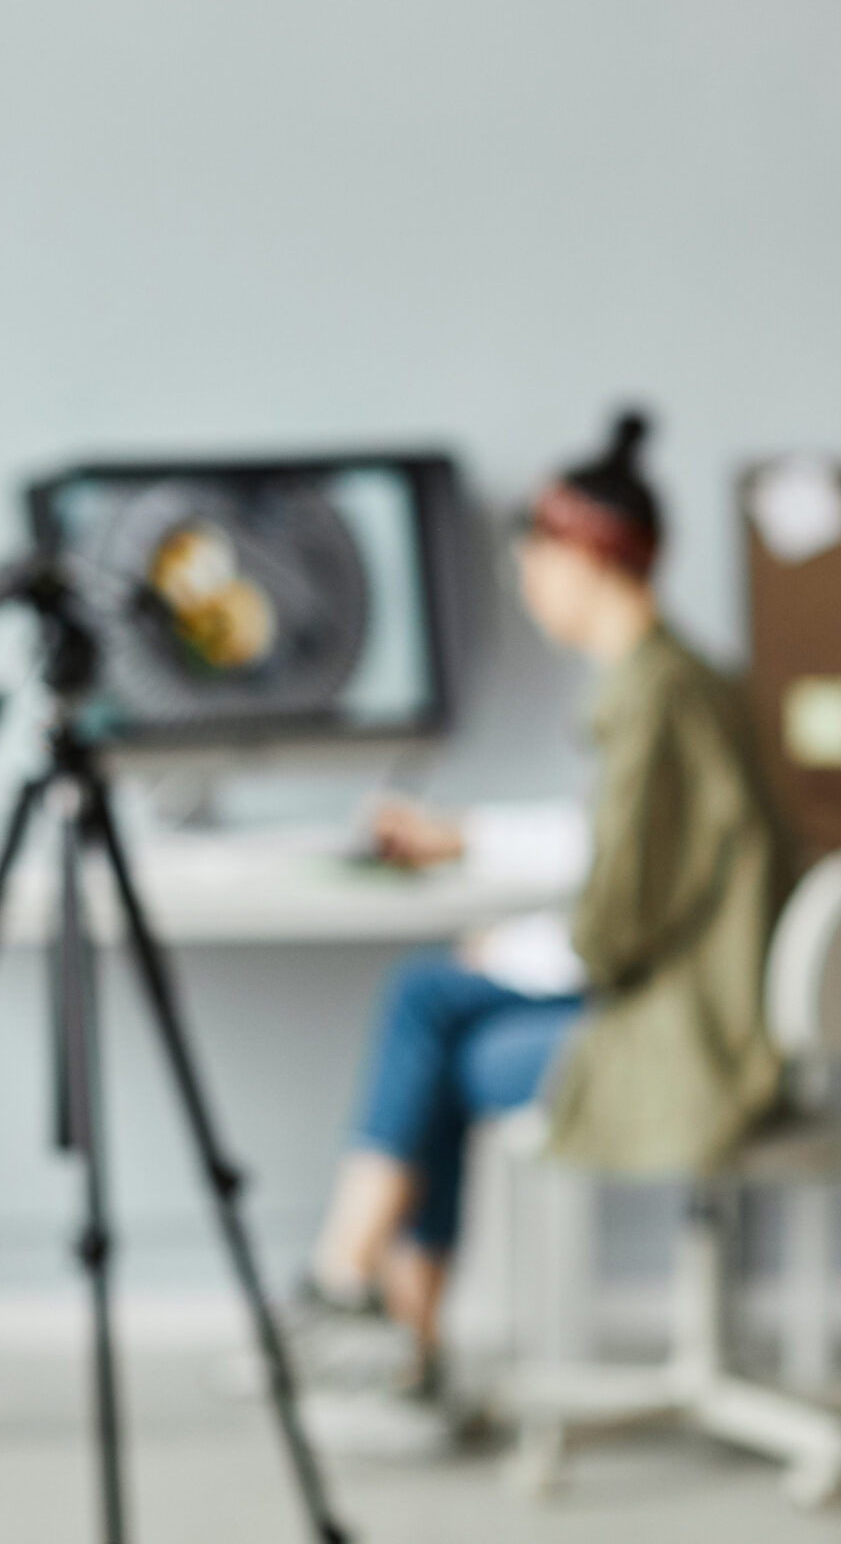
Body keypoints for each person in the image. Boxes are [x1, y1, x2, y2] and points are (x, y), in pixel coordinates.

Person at [301, 410, 792, 1440]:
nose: (525, 584)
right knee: (439, 1009)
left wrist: (515, 951)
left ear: (583, 556)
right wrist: (468, 841)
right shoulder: (678, 680)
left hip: (688, 1033)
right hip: (704, 999)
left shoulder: (650, 699)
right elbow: (623, 847)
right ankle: (381, 1325)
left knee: (431, 1011)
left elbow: (617, 921)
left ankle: (356, 1297)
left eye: (531, 559)